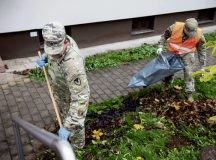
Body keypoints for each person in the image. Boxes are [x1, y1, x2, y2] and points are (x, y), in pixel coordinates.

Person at [36, 21, 90, 149]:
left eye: (56, 51)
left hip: (72, 98)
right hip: (61, 93)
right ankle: (66, 126)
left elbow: (81, 98)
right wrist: (45, 57)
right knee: (63, 114)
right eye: (50, 49)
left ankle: (77, 148)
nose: (53, 55)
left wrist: (68, 126)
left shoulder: (73, 65)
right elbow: (52, 50)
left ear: (65, 42)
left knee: (74, 126)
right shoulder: (58, 38)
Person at [157, 18, 206, 102]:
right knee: (169, 70)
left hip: (187, 53)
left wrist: (203, 67)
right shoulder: (174, 28)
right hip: (173, 52)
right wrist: (160, 46)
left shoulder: (199, 35)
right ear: (184, 28)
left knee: (188, 72)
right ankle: (166, 85)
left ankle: (189, 93)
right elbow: (164, 36)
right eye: (190, 33)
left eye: (193, 33)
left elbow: (202, 50)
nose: (191, 35)